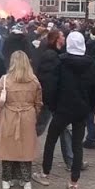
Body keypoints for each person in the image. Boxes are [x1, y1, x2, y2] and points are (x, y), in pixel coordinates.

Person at [32, 31, 95, 189]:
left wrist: (53, 105)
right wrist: (89, 107)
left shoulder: (61, 62)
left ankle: (45, 173)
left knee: (51, 140)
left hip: (63, 108)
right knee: (77, 144)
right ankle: (74, 183)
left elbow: (51, 86)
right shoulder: (91, 64)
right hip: (81, 110)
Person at [35, 29, 87, 171]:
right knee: (37, 129)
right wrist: (50, 101)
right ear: (57, 39)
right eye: (62, 35)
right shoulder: (50, 55)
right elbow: (47, 80)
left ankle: (72, 161)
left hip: (57, 102)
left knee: (65, 131)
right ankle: (19, 152)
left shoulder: (57, 54)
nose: (65, 38)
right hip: (49, 101)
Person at [0, 51, 43, 189]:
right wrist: (34, 116)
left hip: (9, 115)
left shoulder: (5, 80)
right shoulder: (34, 80)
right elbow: (38, 103)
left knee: (7, 147)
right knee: (25, 148)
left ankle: (6, 179)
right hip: (28, 116)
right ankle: (26, 180)